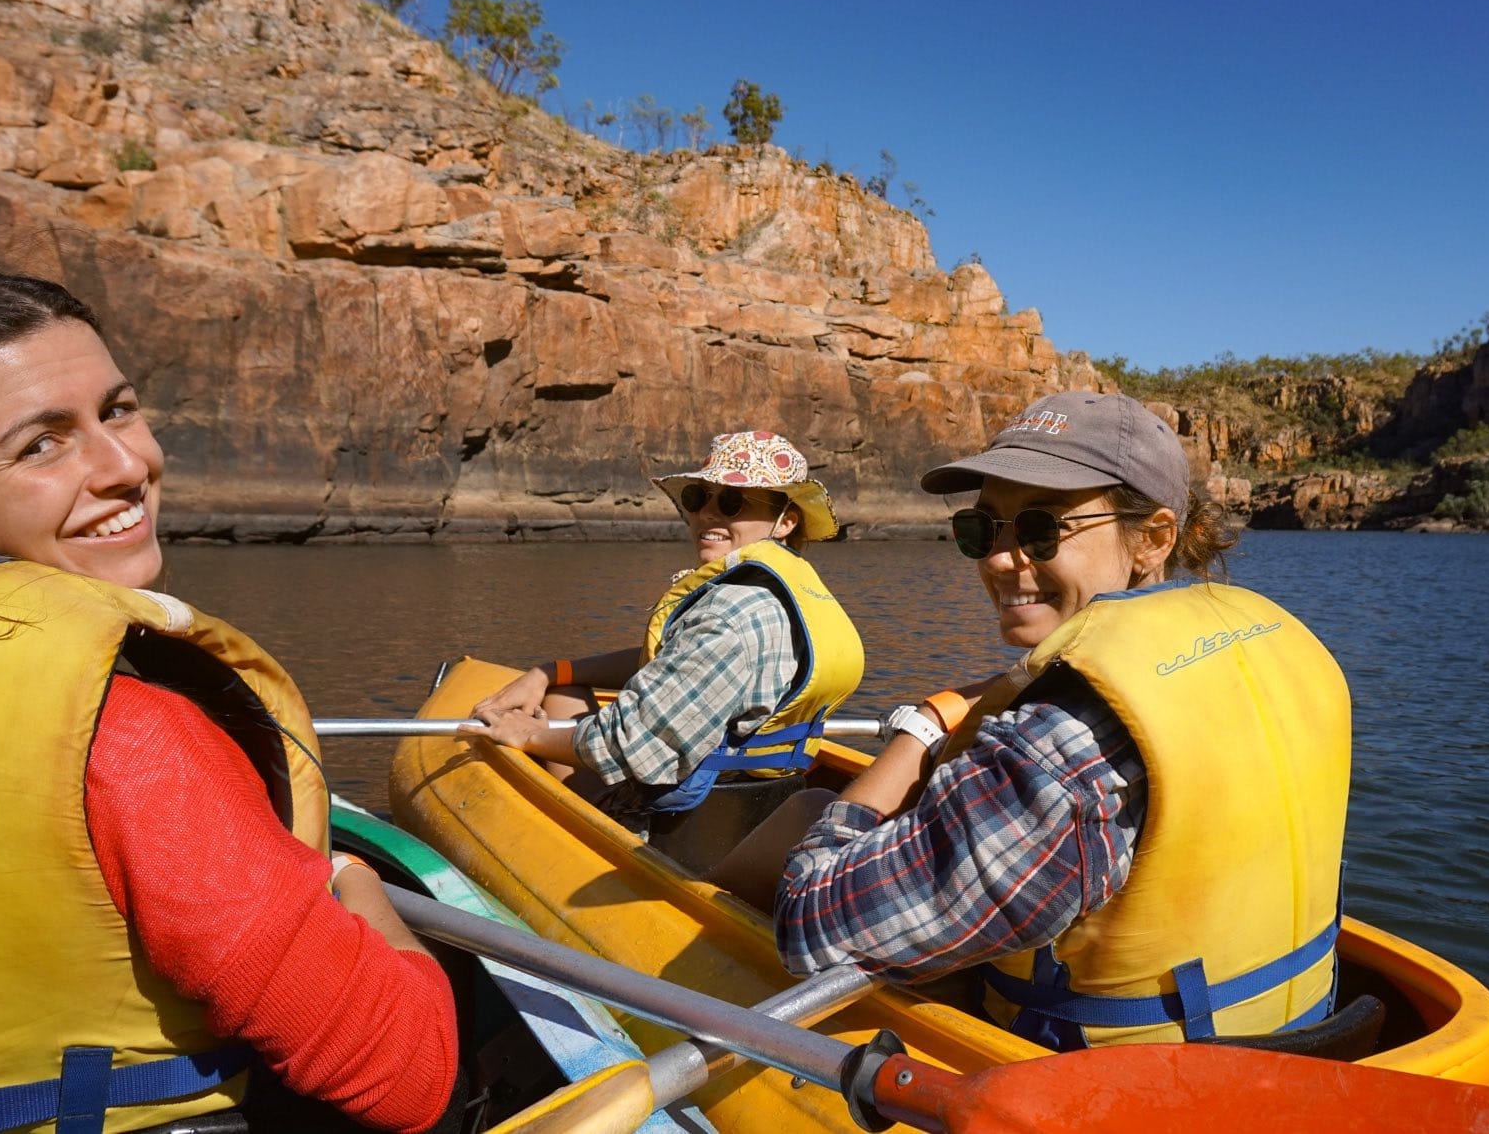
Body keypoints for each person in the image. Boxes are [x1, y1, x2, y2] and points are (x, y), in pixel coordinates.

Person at [0, 257, 459, 1132]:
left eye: (118, 410)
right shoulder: (129, 738)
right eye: (41, 444)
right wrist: (363, 898)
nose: (124, 466)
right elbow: (404, 1071)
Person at [769, 391, 1351, 1050]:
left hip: (1121, 1099)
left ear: (1153, 539)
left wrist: (922, 731)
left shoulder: (1065, 742)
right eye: (980, 530)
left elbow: (808, 923)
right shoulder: (1286, 647)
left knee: (806, 811)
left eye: (1042, 529)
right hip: (1296, 1054)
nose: (997, 559)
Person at [466, 430, 864, 827]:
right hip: (749, 795)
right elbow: (676, 663)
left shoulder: (729, 614)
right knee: (562, 690)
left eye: (731, 501)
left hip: (677, 813)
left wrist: (528, 734)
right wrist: (553, 671)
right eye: (698, 498)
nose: (708, 513)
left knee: (556, 714)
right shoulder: (778, 594)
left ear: (785, 522)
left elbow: (626, 745)